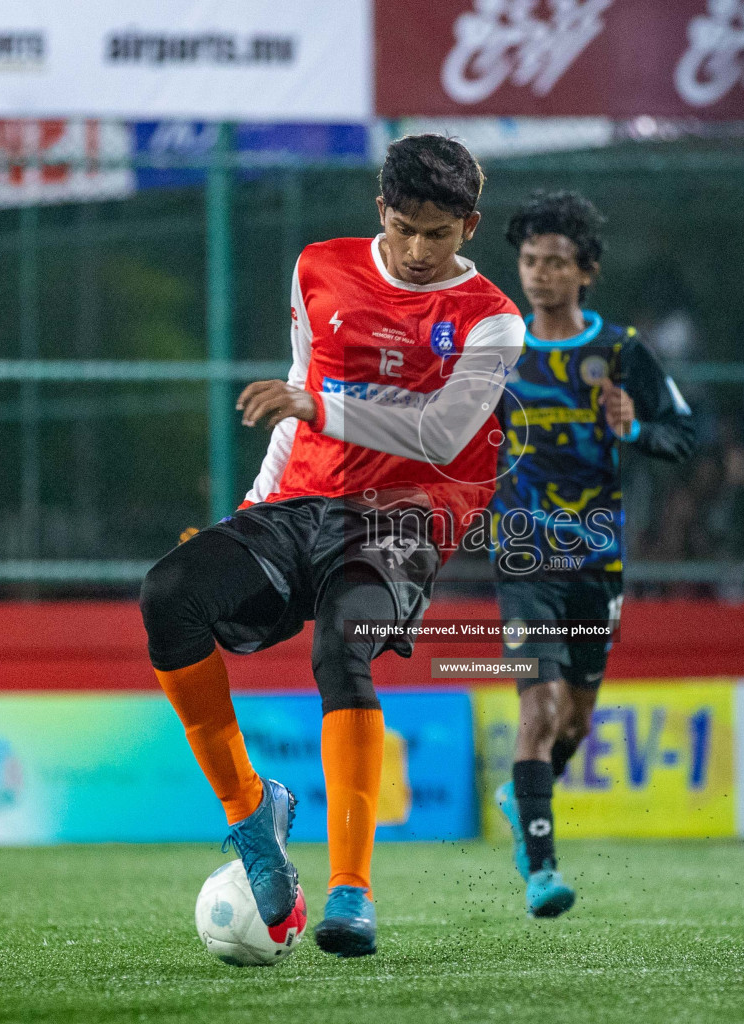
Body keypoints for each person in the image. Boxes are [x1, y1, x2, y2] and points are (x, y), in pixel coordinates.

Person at [140, 135, 524, 959]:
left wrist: (318, 410)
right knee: (169, 593)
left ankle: (352, 892)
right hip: (301, 496)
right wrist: (248, 513)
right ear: (379, 210)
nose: (420, 251)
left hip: (405, 514)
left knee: (343, 643)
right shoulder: (318, 268)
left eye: (440, 233)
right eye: (405, 227)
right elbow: (295, 390)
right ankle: (251, 815)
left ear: (471, 225)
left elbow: (438, 434)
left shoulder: (493, 319)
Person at [489, 190, 694, 917]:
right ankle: (542, 871)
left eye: (555, 263)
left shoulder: (621, 352)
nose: (540, 275)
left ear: (587, 273)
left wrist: (635, 428)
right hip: (521, 557)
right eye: (529, 261)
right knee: (539, 709)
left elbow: (683, 437)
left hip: (597, 561)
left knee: (573, 723)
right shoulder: (498, 347)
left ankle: (525, 795)